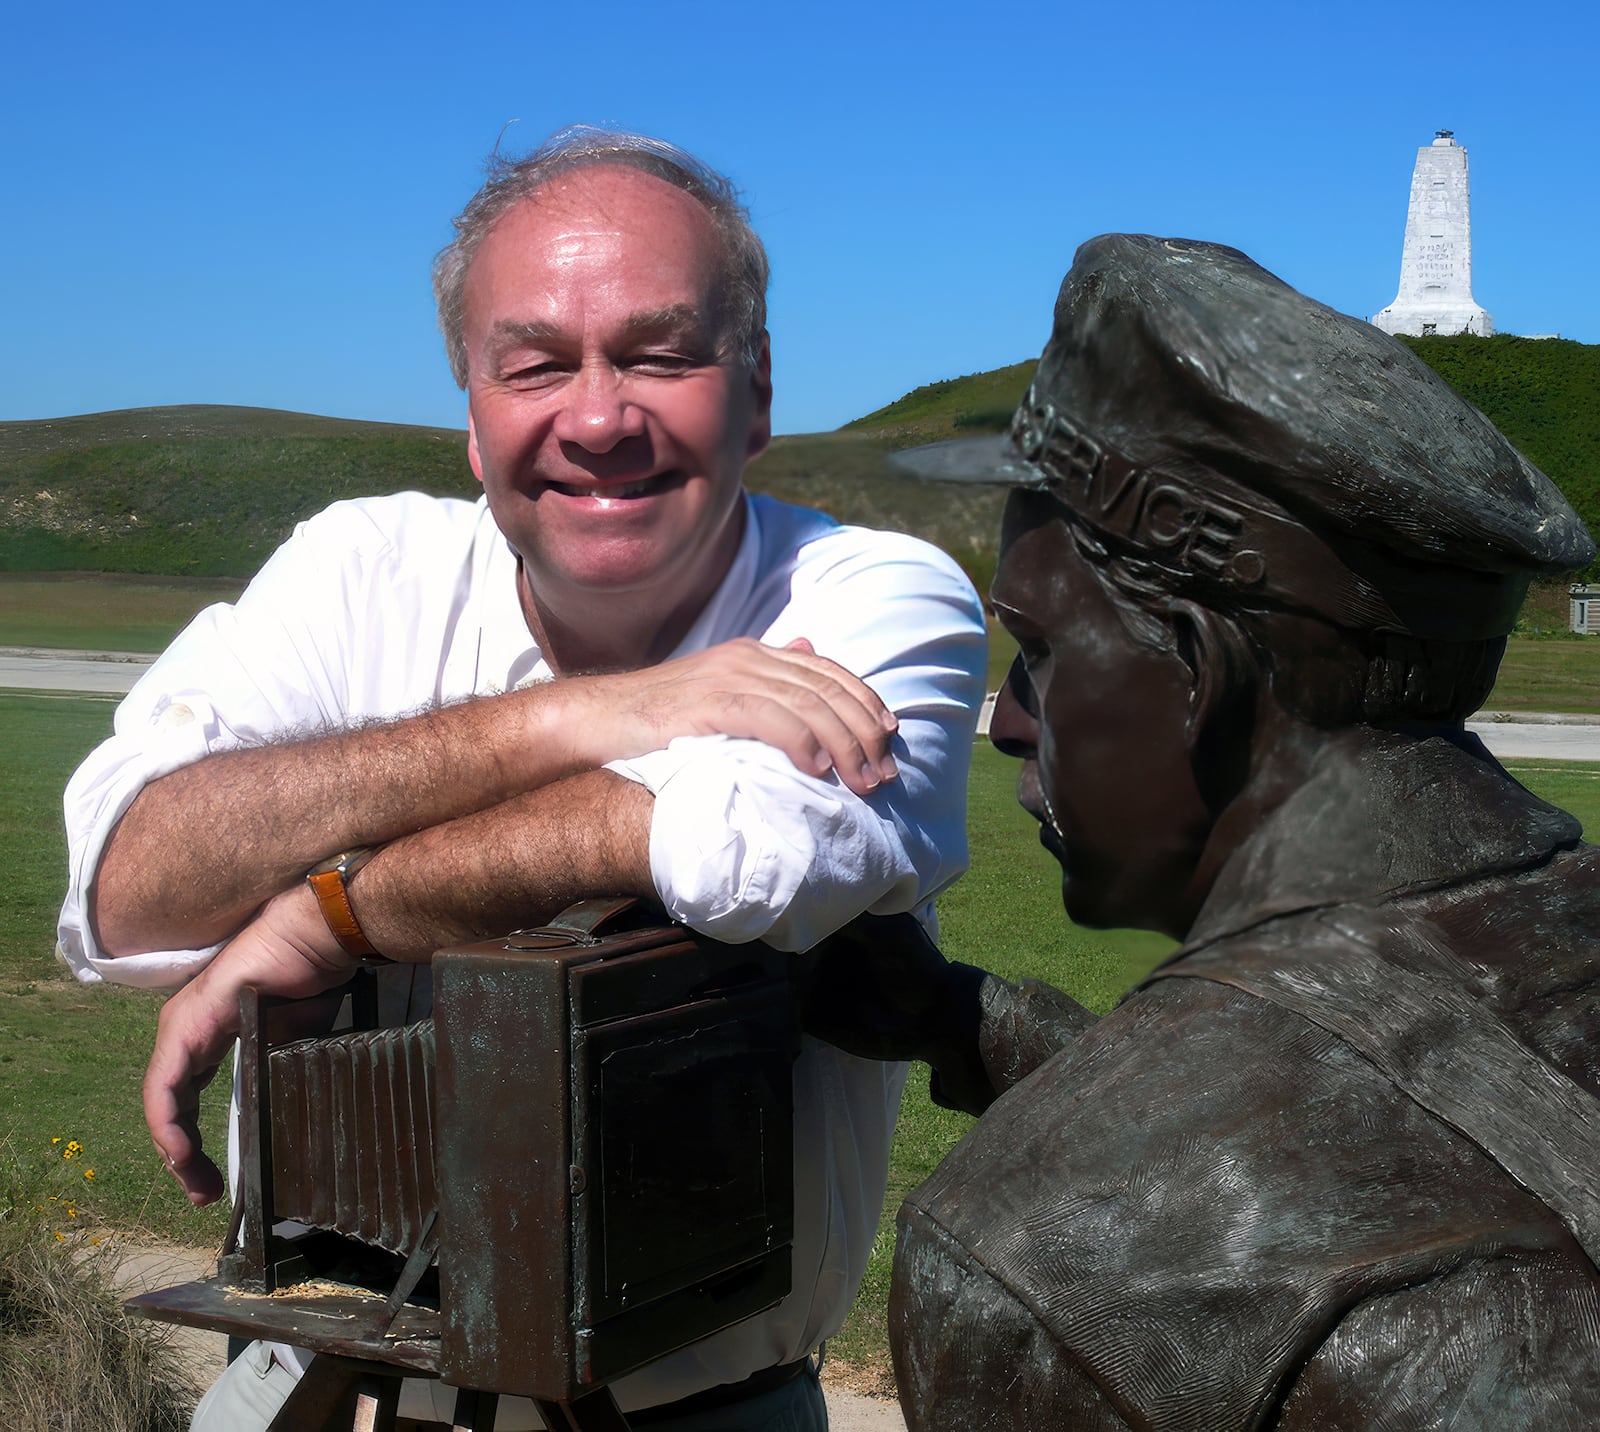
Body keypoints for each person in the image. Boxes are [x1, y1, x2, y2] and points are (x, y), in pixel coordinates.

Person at [56, 127, 986, 1429]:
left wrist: (328, 915)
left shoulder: (873, 598)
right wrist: (580, 720)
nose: (598, 419)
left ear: (758, 389)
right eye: (537, 365)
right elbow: (126, 882)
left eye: (659, 353)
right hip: (318, 1389)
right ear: (474, 422)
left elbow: (752, 851)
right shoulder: (358, 572)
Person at [886, 235, 1600, 1428]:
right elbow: (1436, 1093)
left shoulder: (1033, 1257)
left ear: (1197, 678)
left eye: (1044, 653)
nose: (1006, 719)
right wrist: (967, 1025)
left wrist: (1078, 1149)